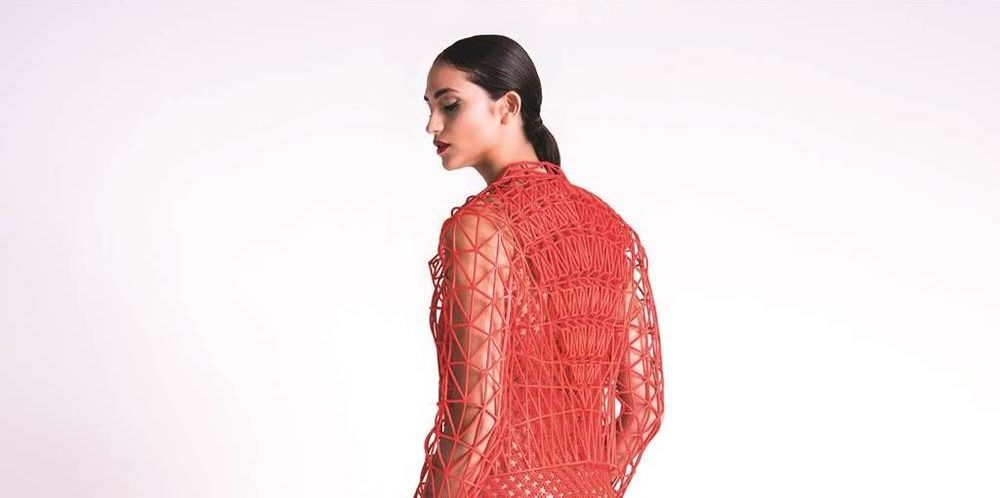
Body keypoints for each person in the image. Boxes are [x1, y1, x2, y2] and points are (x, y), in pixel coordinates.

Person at [415, 34, 665, 498]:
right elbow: (644, 409)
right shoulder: (612, 230)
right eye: (429, 108)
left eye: (449, 105)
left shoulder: (481, 229)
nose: (432, 124)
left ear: (507, 107)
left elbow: (476, 418)